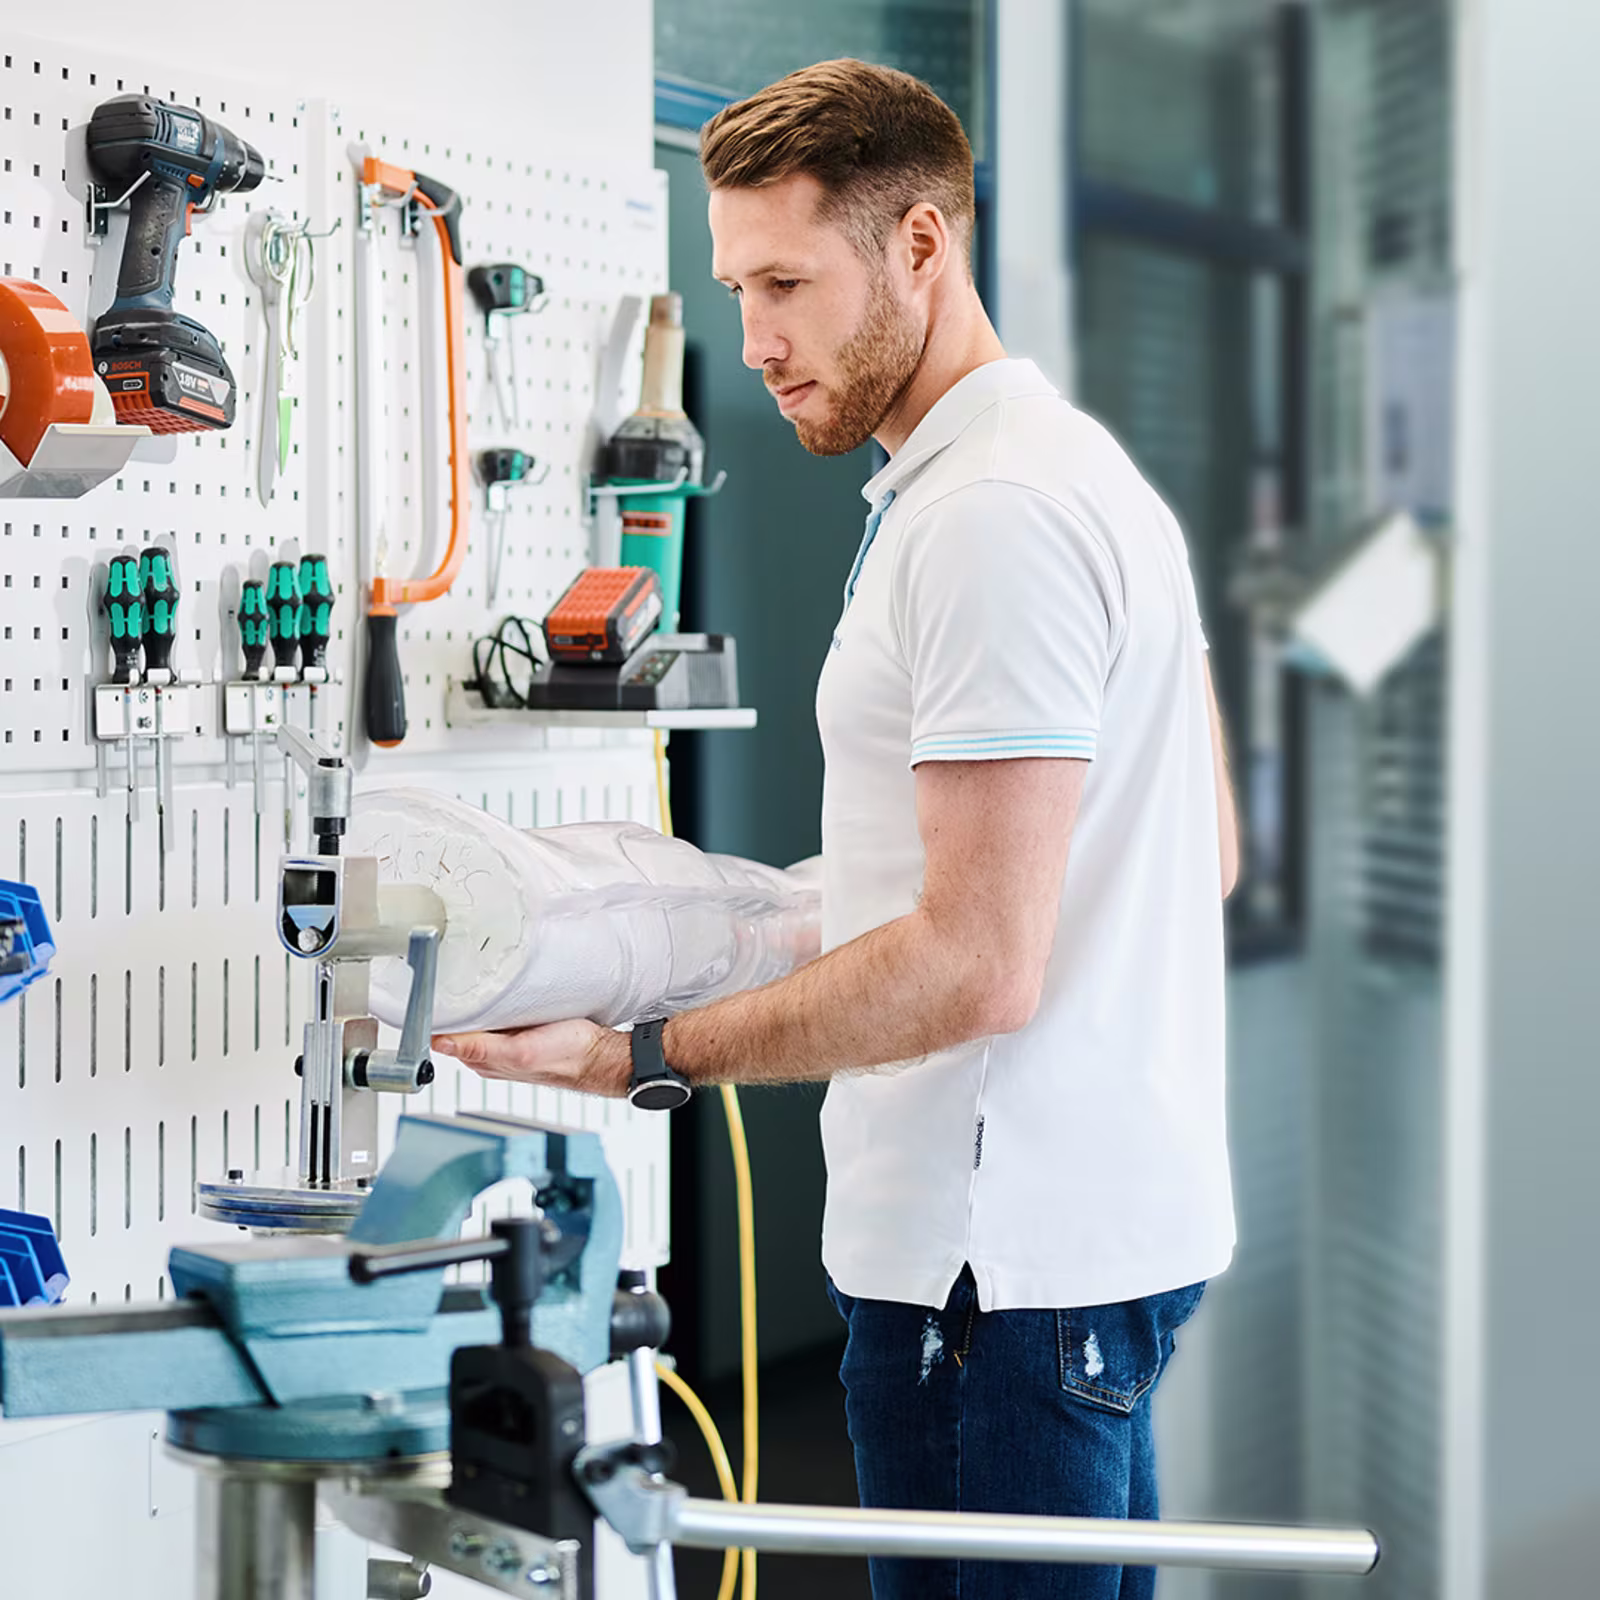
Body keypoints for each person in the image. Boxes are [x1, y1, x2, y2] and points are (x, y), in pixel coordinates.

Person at [434, 57, 1240, 1600]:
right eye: (738, 288)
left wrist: (643, 1056)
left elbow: (979, 964)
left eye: (789, 282)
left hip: (986, 1285)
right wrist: (689, 927)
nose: (758, 341)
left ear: (924, 245)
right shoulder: (1073, 479)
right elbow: (1170, 857)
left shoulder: (990, 518)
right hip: (1082, 1259)